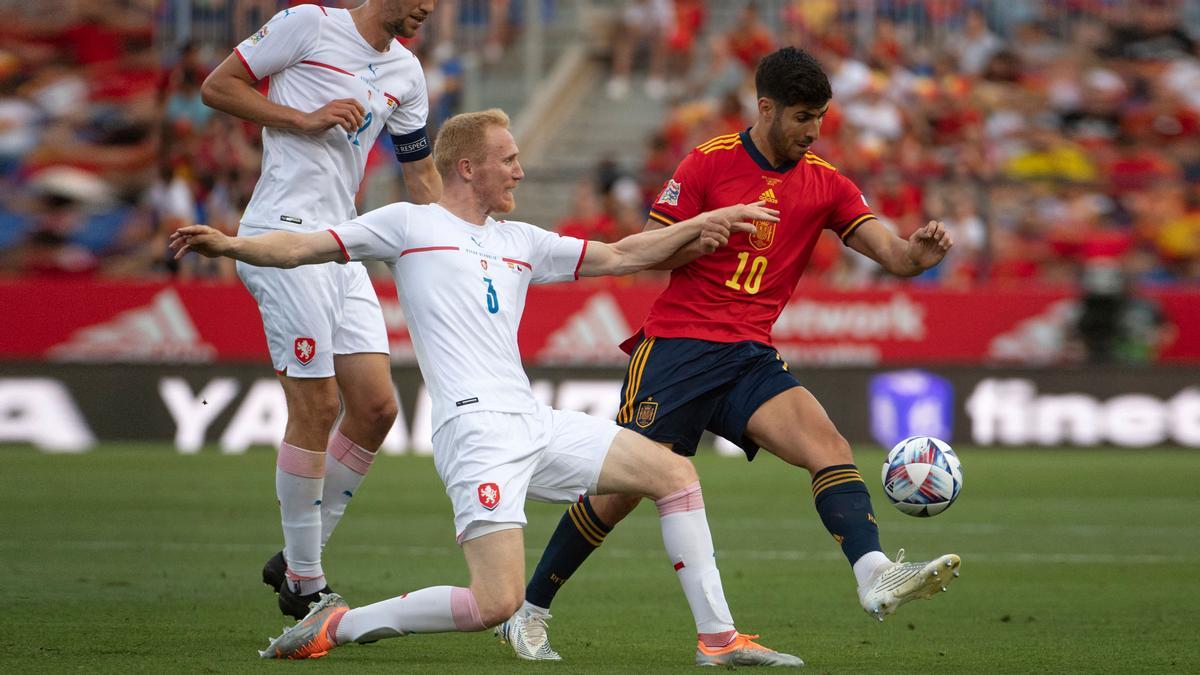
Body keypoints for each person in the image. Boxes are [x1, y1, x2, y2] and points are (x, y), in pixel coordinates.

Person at [171, 109, 802, 667]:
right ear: (468, 168)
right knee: (496, 602)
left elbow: (623, 255)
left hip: (531, 418)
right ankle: (337, 625)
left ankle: (718, 640)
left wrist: (708, 221)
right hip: (473, 431)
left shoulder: (521, 241)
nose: (521, 172)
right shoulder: (408, 226)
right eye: (510, 160)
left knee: (675, 475)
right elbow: (304, 246)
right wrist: (233, 244)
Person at [499, 47, 962, 661]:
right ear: (765, 107)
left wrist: (918, 256)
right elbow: (643, 250)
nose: (812, 130)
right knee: (620, 493)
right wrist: (699, 233)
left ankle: (874, 574)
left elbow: (895, 255)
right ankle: (528, 611)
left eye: (820, 116)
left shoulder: (826, 183)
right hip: (677, 351)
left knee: (829, 448)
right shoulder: (706, 165)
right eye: (801, 116)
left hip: (749, 355)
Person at [199, 1, 443, 619]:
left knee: (378, 407)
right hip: (281, 234)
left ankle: (295, 554)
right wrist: (300, 118)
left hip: (343, 242)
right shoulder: (308, 24)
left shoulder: (407, 73)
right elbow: (217, 86)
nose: (429, 8)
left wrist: (457, 250)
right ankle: (306, 584)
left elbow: (420, 175)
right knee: (317, 403)